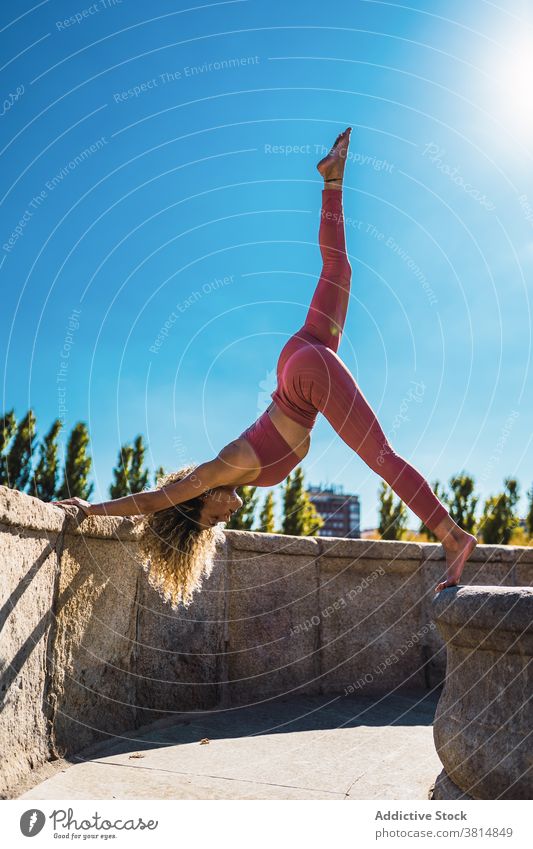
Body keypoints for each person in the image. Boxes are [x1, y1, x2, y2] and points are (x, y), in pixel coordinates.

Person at [53, 128, 477, 607]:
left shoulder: (220, 468)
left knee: (382, 457)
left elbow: (151, 502)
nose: (224, 518)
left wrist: (91, 510)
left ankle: (452, 537)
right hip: (298, 363)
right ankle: (332, 179)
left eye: (212, 519)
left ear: (199, 500)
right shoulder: (236, 468)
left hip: (305, 375)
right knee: (339, 271)